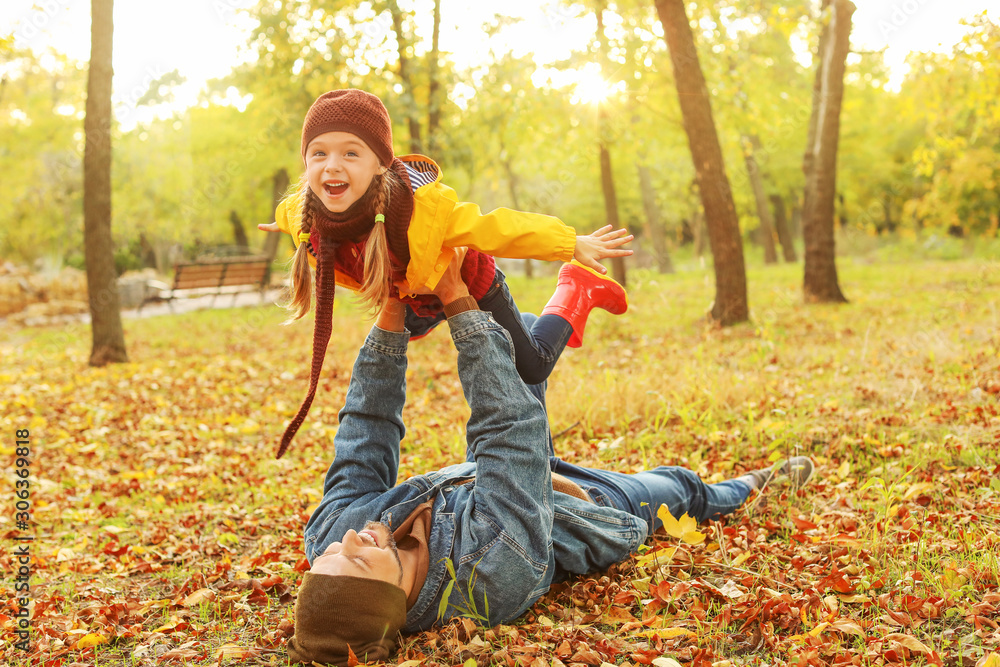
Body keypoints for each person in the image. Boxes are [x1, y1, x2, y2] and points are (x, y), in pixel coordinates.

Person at [285, 254, 814, 665]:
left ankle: (569, 299)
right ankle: (753, 485)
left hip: (488, 479)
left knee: (520, 357)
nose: (352, 538)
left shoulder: (336, 532)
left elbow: (366, 429)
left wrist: (393, 306)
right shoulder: (491, 572)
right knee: (683, 489)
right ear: (390, 598)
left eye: (335, 550)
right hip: (581, 507)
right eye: (357, 559)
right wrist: (454, 297)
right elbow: (513, 430)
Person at [259, 89, 633, 458]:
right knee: (391, 347)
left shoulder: (423, 213)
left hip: (471, 285)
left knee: (532, 367)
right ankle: (521, 324)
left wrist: (569, 242)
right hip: (415, 297)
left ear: (380, 164)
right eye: (318, 153)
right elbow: (288, 212)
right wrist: (279, 224)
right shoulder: (307, 210)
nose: (332, 165)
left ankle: (574, 290)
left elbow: (496, 227)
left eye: (351, 153)